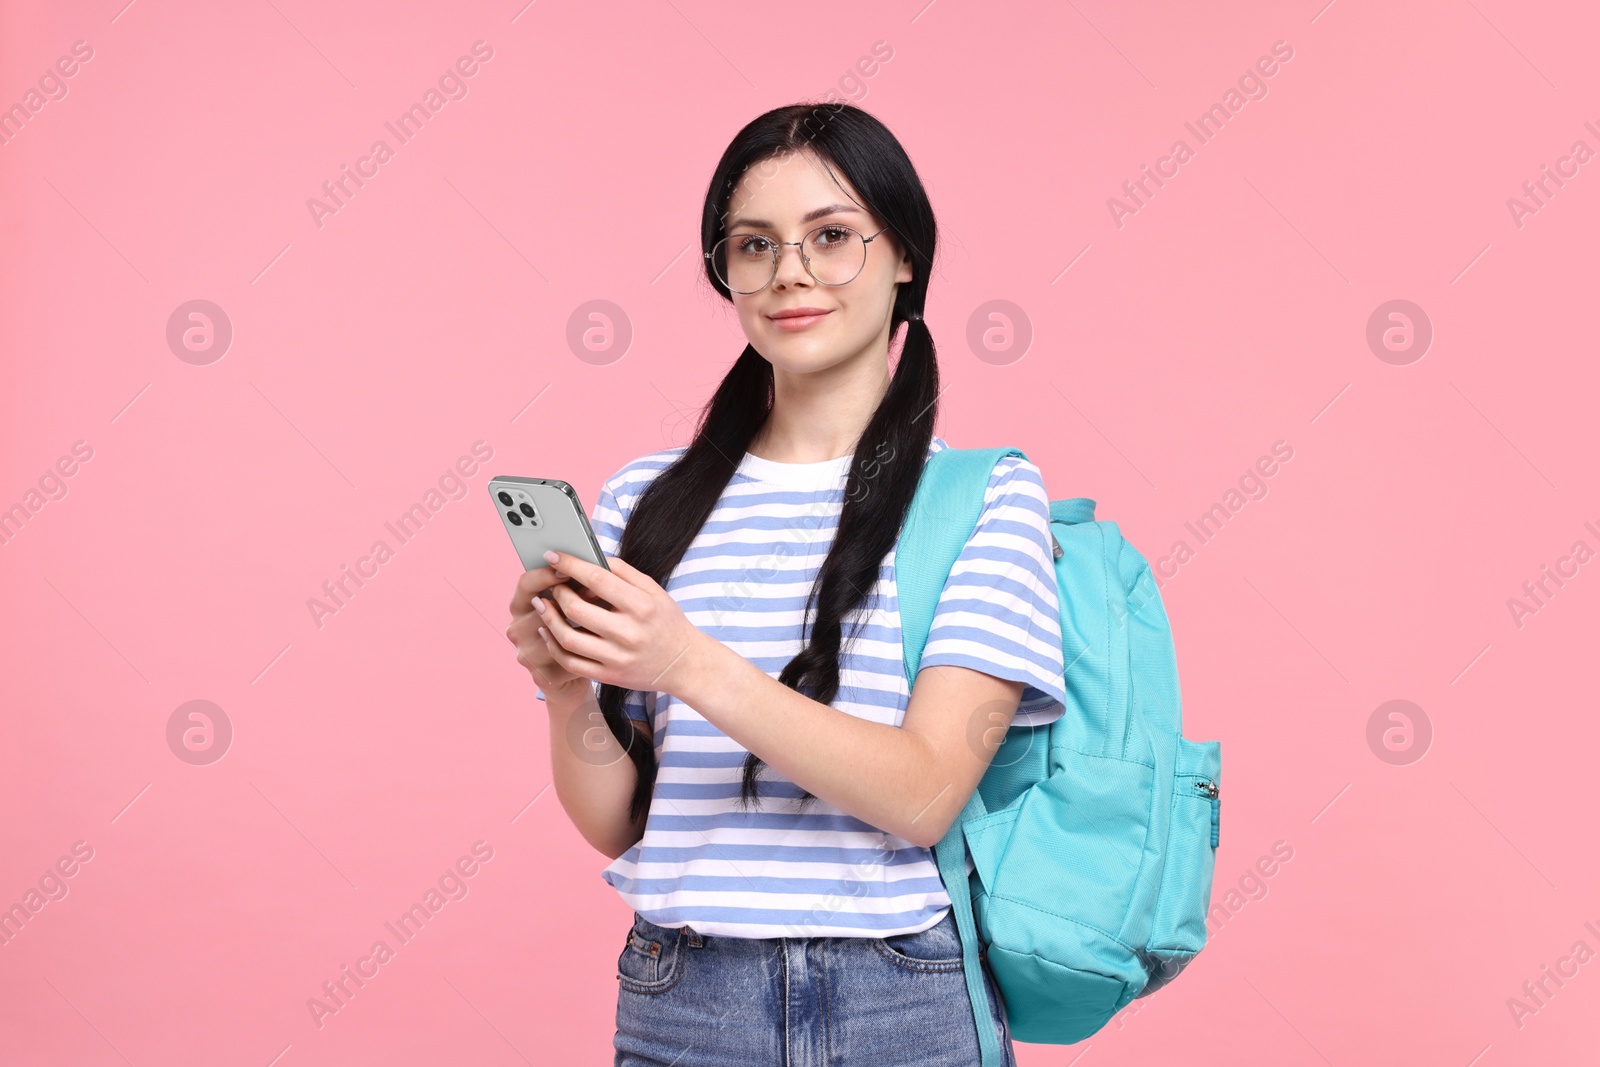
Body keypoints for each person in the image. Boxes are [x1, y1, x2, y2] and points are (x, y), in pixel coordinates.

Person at [505, 102, 1067, 1067]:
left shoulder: (982, 498)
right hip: (685, 995)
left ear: (904, 259)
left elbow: (926, 791)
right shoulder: (645, 500)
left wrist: (684, 660)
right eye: (754, 244)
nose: (790, 273)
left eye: (832, 236)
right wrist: (566, 688)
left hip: (905, 998)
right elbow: (620, 824)